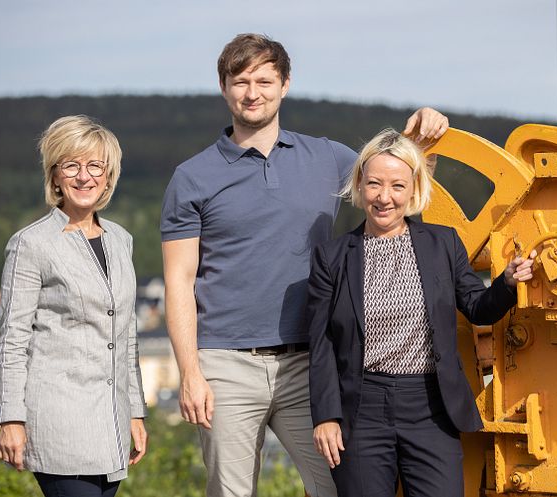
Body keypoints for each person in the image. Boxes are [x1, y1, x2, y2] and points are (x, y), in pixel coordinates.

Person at [160, 33, 448, 497]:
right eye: (240, 81)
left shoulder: (328, 157)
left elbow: (397, 185)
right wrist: (190, 373)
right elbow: (178, 281)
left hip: (311, 365)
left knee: (338, 489)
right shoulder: (193, 177)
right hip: (226, 365)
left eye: (264, 80)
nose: (252, 92)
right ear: (223, 87)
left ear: (286, 84)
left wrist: (423, 136)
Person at [306, 128, 536, 497]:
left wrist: (507, 283)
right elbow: (321, 345)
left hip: (431, 407)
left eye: (397, 186)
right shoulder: (331, 258)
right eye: (374, 184)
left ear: (414, 189)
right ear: (359, 186)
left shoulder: (443, 244)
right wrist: (326, 416)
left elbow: (478, 309)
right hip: (360, 409)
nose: (384, 197)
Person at [0, 115, 148, 497]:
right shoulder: (31, 244)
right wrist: (10, 418)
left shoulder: (121, 240)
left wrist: (135, 411)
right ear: (55, 176)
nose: (84, 177)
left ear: (108, 175)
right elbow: (12, 339)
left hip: (110, 420)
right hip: (59, 418)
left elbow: (126, 334)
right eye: (72, 166)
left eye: (95, 165)